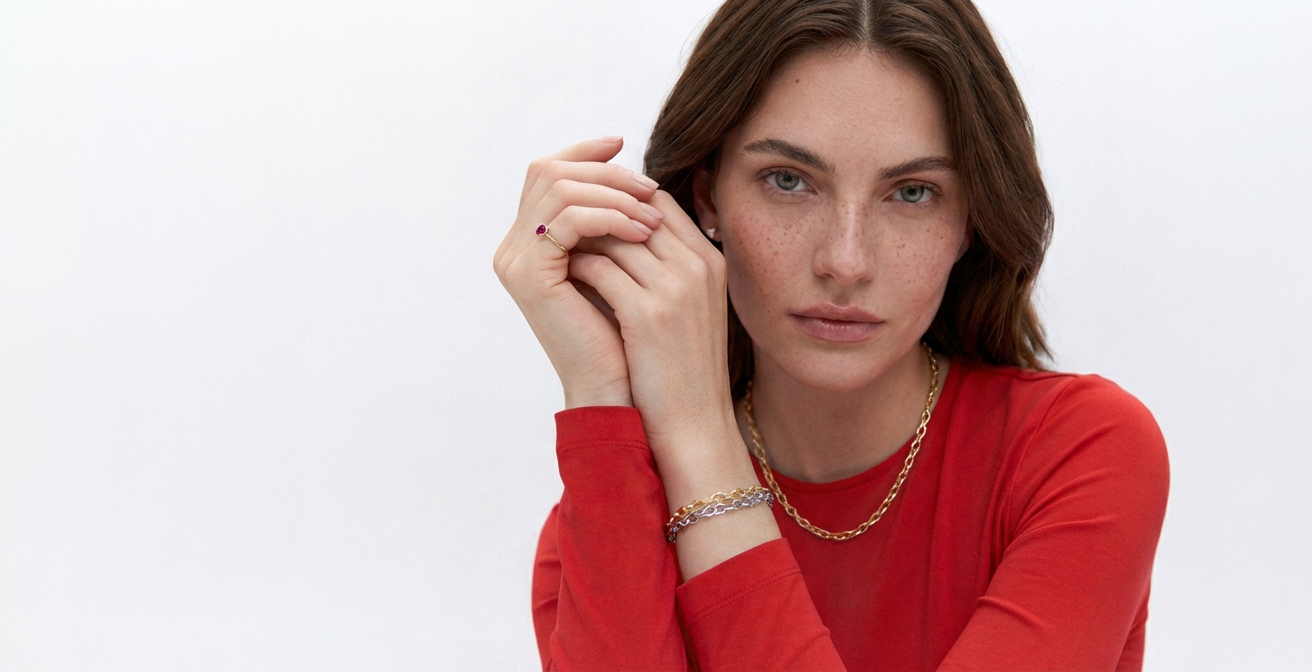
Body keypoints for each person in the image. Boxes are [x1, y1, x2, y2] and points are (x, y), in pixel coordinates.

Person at [493, 0, 1169, 669]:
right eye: (789, 181)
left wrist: (699, 436)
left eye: (912, 192)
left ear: (970, 219)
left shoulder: (1082, 454)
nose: (846, 262)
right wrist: (599, 388)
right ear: (707, 198)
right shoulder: (606, 520)